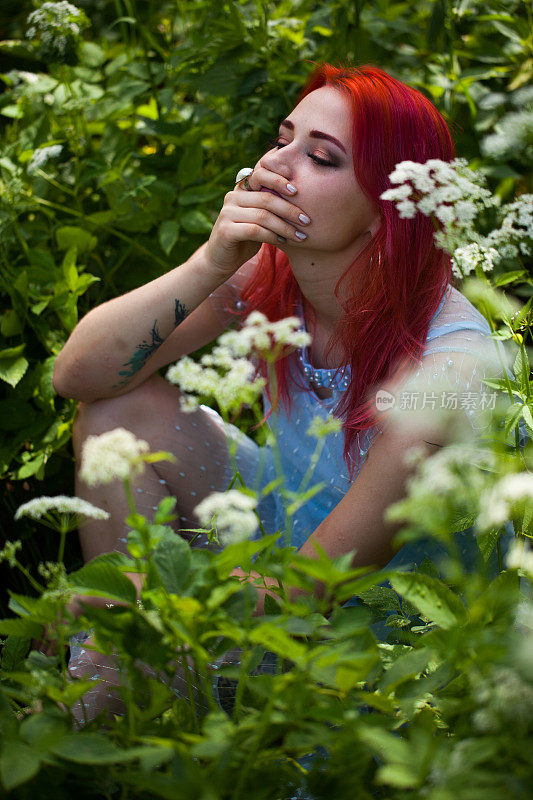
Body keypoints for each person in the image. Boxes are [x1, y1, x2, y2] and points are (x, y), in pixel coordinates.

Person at [48, 62, 524, 724]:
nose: (273, 165)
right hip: (283, 529)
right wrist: (211, 259)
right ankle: (124, 682)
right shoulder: (269, 274)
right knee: (119, 413)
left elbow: (312, 586)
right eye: (282, 138)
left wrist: (120, 596)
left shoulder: (447, 370)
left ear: (387, 212)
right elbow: (78, 377)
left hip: (382, 624)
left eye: (320, 157)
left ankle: (153, 675)